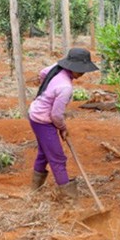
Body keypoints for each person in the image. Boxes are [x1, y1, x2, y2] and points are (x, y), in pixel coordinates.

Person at [28, 47, 99, 204]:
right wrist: (62, 128)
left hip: (35, 114)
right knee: (57, 158)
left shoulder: (55, 67)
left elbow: (42, 74)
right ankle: (70, 202)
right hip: (43, 121)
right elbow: (56, 115)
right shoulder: (65, 87)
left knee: (44, 152)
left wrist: (46, 91)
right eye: (81, 70)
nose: (83, 73)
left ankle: (34, 190)